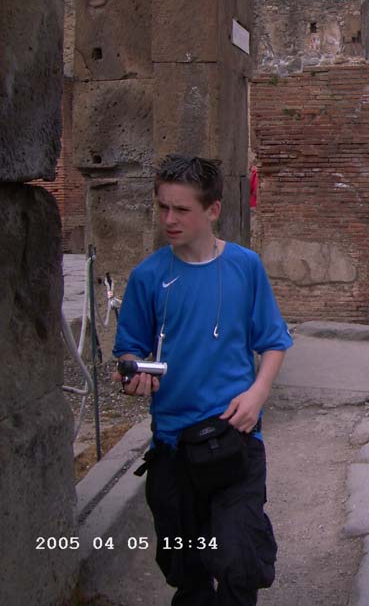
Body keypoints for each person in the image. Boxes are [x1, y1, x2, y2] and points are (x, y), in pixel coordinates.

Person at [113, 154, 291, 604]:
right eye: (162, 208)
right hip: (173, 446)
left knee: (238, 562)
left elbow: (273, 341)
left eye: (182, 209)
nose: (169, 220)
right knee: (188, 572)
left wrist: (258, 392)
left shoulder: (245, 266)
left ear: (212, 210)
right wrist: (134, 374)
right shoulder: (148, 276)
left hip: (235, 437)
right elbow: (128, 351)